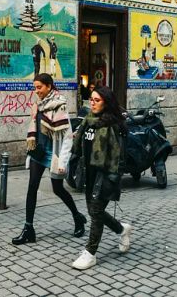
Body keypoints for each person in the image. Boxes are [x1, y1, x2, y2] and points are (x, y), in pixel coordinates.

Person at [12, 73, 87, 245]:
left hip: (54, 153)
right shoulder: (38, 104)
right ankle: (28, 229)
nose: (36, 91)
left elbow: (67, 137)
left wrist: (62, 162)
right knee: (32, 187)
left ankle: (78, 217)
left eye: (39, 87)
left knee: (58, 189)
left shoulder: (59, 105)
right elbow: (36, 128)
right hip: (39, 151)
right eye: (35, 88)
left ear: (49, 86)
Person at [71, 85, 133, 270]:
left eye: (97, 100)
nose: (93, 103)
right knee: (94, 211)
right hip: (89, 173)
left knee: (96, 213)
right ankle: (122, 230)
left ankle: (90, 253)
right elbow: (82, 146)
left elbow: (118, 156)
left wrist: (114, 178)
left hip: (105, 174)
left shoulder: (113, 125)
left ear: (106, 102)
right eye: (91, 99)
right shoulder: (88, 121)